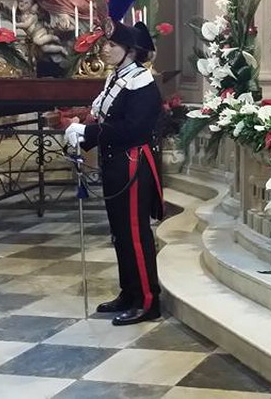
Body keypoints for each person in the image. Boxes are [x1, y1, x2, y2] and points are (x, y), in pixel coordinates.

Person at [65, 21, 164, 326]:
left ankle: (147, 301)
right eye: (105, 44)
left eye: (112, 45)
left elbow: (132, 129)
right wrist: (82, 135)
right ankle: (129, 292)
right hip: (115, 162)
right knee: (120, 233)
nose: (104, 49)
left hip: (133, 162)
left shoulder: (142, 82)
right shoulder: (117, 78)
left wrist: (88, 132)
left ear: (130, 51)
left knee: (134, 233)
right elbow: (108, 121)